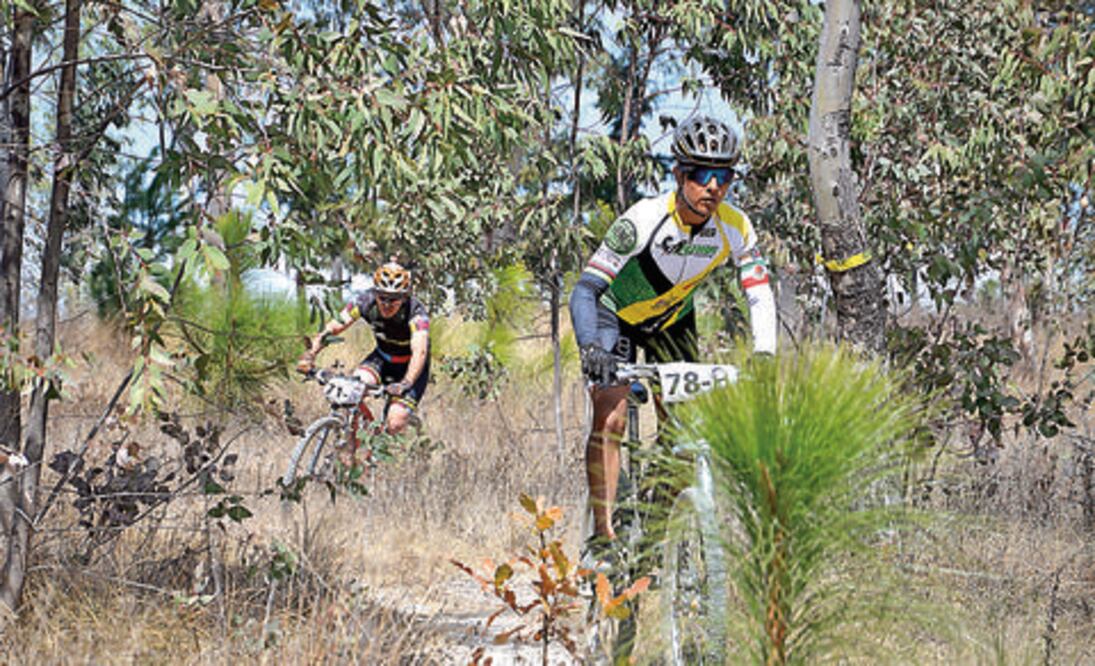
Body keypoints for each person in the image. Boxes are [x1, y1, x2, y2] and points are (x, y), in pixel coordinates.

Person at [569, 115, 777, 544]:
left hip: (672, 320)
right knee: (610, 416)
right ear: (679, 174)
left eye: (723, 176)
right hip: (616, 316)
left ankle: (656, 534)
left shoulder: (735, 227)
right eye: (701, 175)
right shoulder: (644, 219)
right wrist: (592, 348)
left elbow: (759, 292)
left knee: (685, 437)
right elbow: (585, 291)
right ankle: (605, 538)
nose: (713, 187)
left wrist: (766, 355)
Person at [296, 261, 430, 436]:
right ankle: (351, 453)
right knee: (350, 395)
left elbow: (420, 352)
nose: (387, 304)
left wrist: (406, 383)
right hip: (382, 358)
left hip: (411, 367)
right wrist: (310, 354)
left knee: (395, 421)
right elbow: (333, 327)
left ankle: (390, 447)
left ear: (404, 297)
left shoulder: (416, 312)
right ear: (375, 293)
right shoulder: (365, 301)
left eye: (394, 299)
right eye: (382, 297)